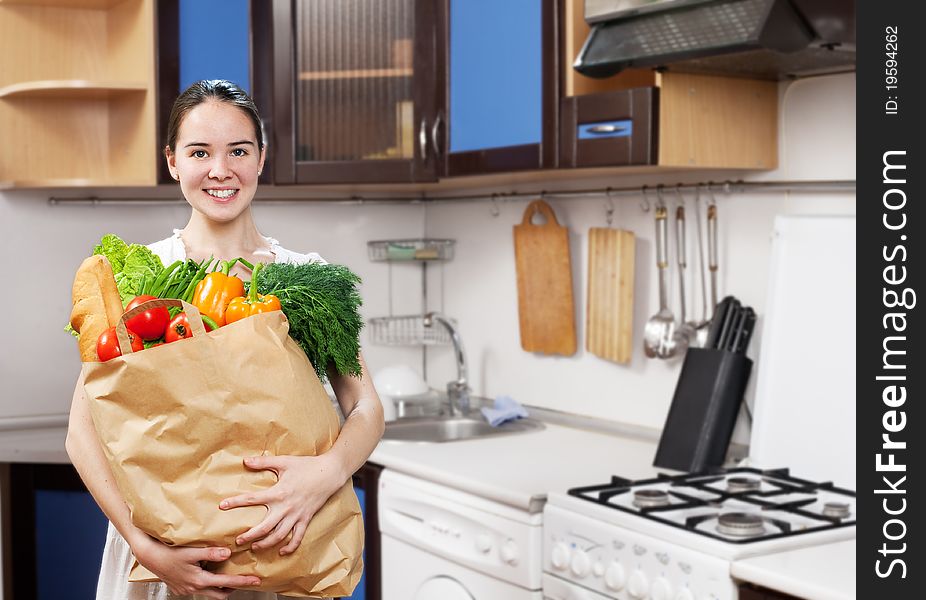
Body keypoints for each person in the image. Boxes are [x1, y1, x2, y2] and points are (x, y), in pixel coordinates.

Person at [66, 79, 385, 600]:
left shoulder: (309, 277)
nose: (221, 170)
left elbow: (367, 407)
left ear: (261, 158)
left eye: (239, 150)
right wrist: (144, 549)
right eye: (199, 152)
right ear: (172, 161)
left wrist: (325, 474)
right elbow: (80, 434)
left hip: (287, 547)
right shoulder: (141, 276)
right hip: (167, 554)